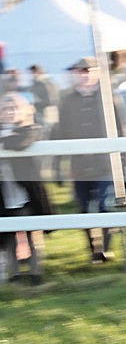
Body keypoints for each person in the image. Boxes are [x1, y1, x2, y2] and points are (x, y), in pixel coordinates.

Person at [52, 56, 126, 263]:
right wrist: (57, 166)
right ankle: (92, 249)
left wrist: (125, 159)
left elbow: (122, 129)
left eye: (88, 70)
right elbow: (60, 133)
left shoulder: (108, 98)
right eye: (80, 71)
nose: (84, 75)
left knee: (105, 205)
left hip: (106, 163)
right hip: (79, 165)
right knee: (83, 207)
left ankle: (105, 248)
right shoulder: (67, 100)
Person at [0, 92, 52, 284]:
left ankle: (35, 273)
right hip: (4, 194)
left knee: (32, 233)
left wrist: (5, 139)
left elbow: (21, 143)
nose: (9, 112)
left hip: (26, 193)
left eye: (13, 108)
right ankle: (13, 275)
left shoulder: (30, 128)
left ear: (22, 110)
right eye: (5, 108)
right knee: (7, 237)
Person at [25, 64, 59, 133]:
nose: (32, 74)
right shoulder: (34, 84)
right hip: (38, 114)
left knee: (48, 133)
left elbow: (52, 100)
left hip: (47, 115)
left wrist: (37, 100)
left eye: (34, 72)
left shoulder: (47, 83)